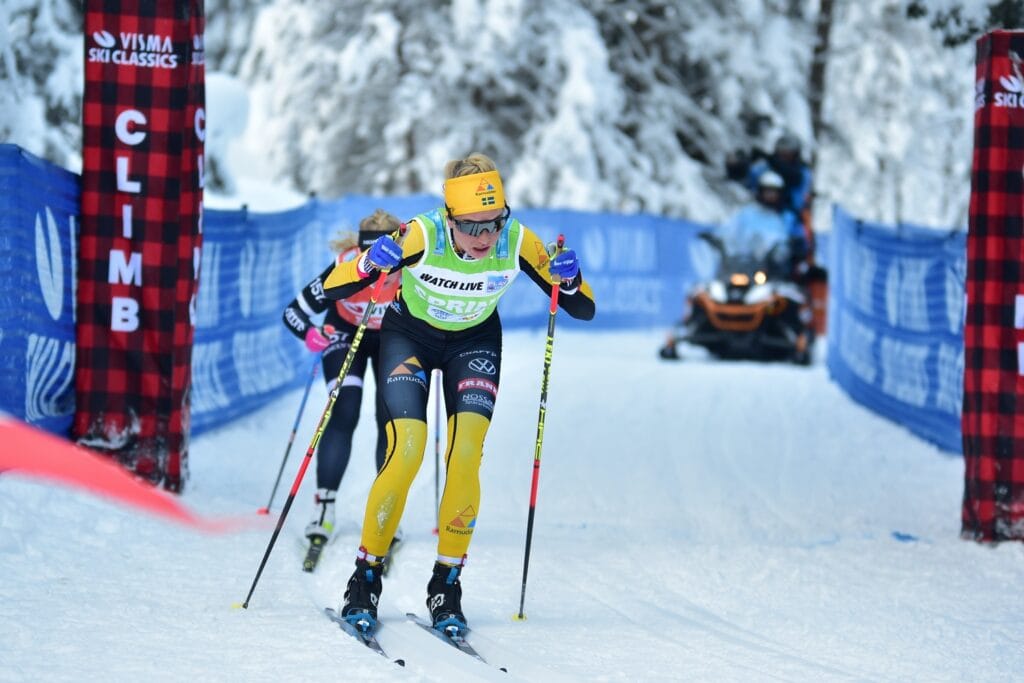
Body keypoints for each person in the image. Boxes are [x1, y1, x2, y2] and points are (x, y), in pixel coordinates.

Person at [322, 152, 596, 634]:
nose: (484, 237)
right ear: (450, 218)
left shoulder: (517, 240)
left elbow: (582, 307)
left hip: (474, 342)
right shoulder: (421, 234)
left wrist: (570, 280)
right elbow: (332, 287)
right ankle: (365, 579)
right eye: (471, 227)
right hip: (409, 339)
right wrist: (367, 263)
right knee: (407, 451)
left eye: (494, 223)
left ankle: (446, 585)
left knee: (466, 453)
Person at [281, 209, 403, 571]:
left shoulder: (411, 268)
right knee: (344, 410)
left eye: (385, 256)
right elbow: (294, 312)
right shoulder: (345, 266)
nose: (377, 265)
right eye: (369, 254)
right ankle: (324, 508)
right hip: (345, 336)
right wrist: (311, 334)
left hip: (391, 339)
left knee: (391, 417)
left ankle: (386, 510)